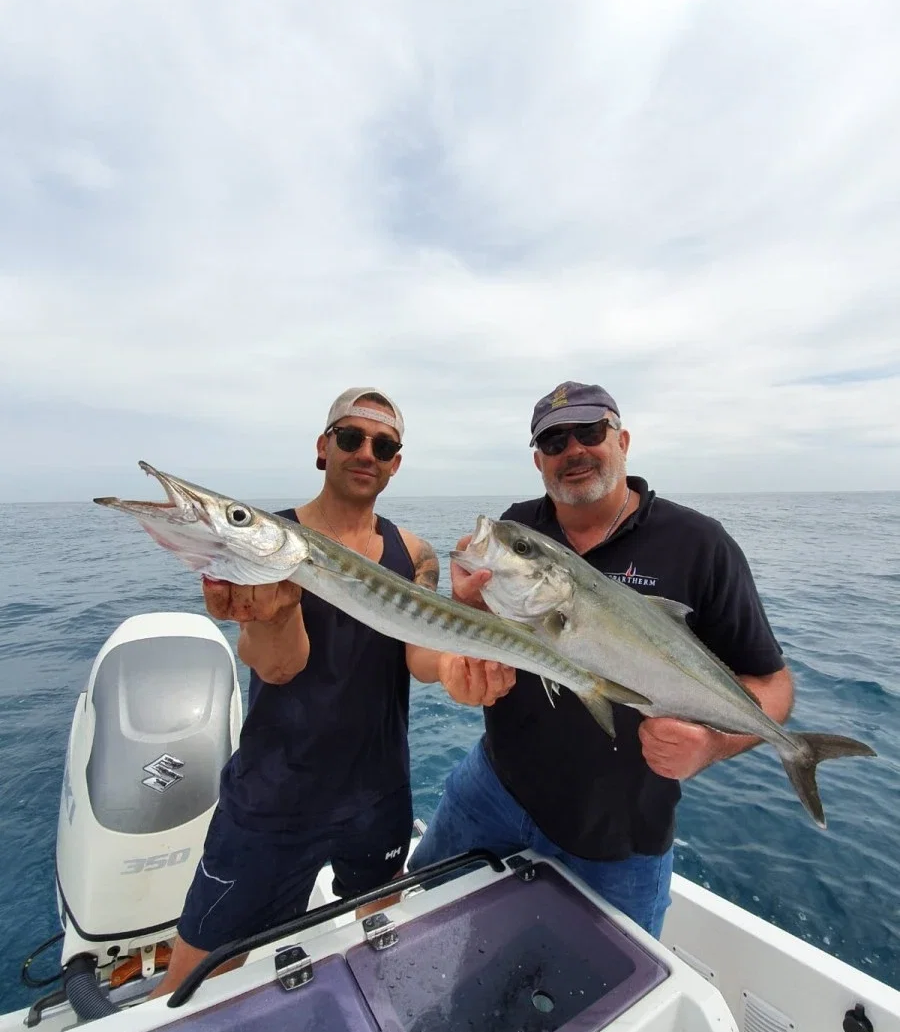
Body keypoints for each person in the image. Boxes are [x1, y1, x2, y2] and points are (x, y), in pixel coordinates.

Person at [153, 387, 514, 996]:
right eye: (351, 437)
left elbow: (420, 651)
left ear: (396, 464)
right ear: (323, 448)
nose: (366, 452)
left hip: (378, 793)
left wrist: (456, 666)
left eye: (384, 446)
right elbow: (278, 667)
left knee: (385, 945)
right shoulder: (270, 538)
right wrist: (272, 614)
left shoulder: (414, 553)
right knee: (191, 982)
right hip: (273, 796)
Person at [408, 380, 793, 939]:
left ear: (622, 441)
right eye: (554, 441)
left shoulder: (699, 545)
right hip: (493, 790)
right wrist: (467, 609)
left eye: (589, 432)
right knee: (416, 921)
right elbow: (480, 634)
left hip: (620, 839)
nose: (574, 451)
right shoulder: (520, 525)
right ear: (539, 460)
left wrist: (713, 745)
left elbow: (773, 685)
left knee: (607, 985)